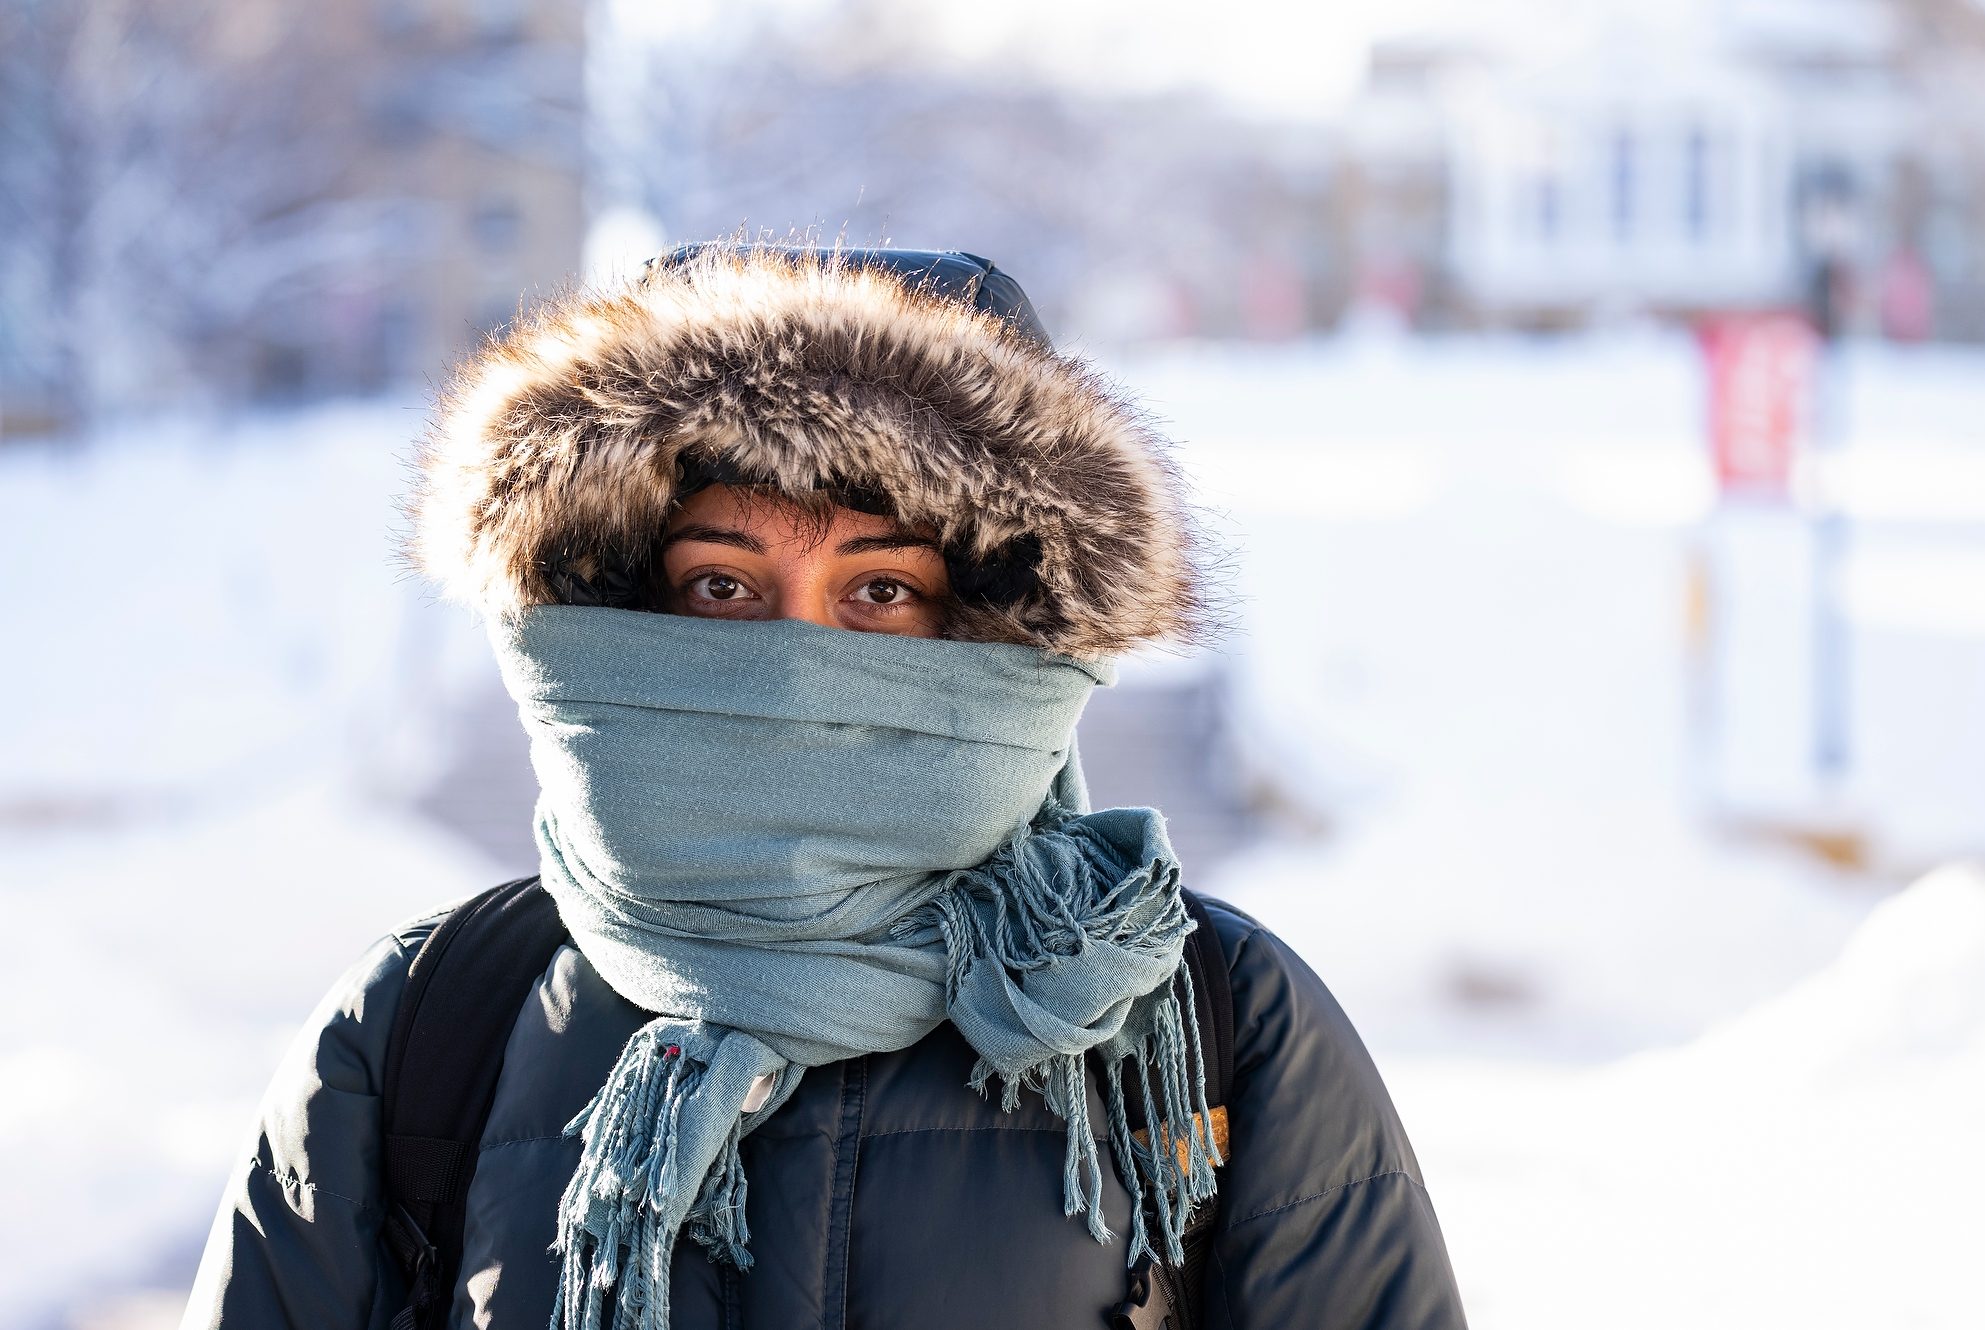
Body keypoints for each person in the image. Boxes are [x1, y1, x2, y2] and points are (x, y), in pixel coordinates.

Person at [183, 245, 1466, 1330]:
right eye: (723, 587)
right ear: (614, 607)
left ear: (995, 627)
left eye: (881, 592)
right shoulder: (427, 1028)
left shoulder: (1207, 1028)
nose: (798, 661)